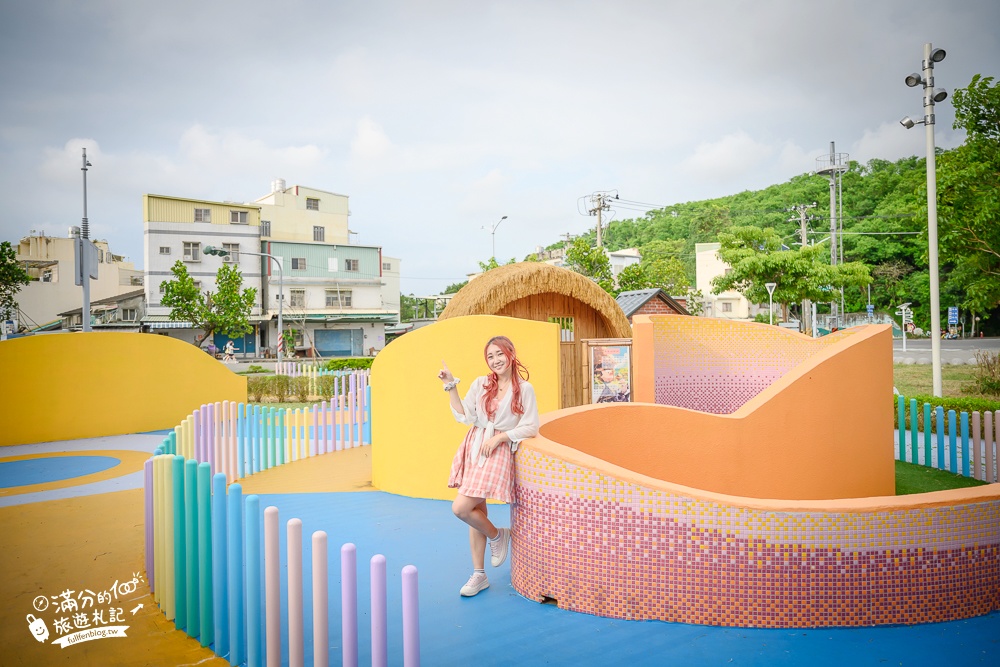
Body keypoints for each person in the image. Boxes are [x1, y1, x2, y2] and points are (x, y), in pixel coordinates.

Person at [438, 335, 539, 597]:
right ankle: (479, 574)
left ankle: (497, 536)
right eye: (490, 356)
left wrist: (500, 437)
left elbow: (531, 426)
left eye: (499, 354)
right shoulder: (481, 384)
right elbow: (465, 416)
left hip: (496, 449)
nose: (495, 360)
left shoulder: (524, 389)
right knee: (475, 510)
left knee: (461, 507)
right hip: (475, 444)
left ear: (511, 354)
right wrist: (451, 386)